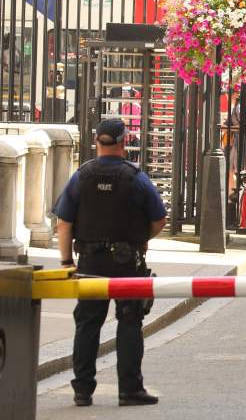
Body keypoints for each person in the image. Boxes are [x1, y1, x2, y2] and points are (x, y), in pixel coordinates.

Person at [53, 118, 166, 407]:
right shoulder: (136, 178)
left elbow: (63, 223)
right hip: (127, 262)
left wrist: (67, 262)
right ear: (124, 142)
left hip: (90, 261)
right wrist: (141, 240)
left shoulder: (81, 177)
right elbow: (159, 219)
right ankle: (130, 390)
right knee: (129, 320)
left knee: (88, 322)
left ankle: (82, 390)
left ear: (96, 142)